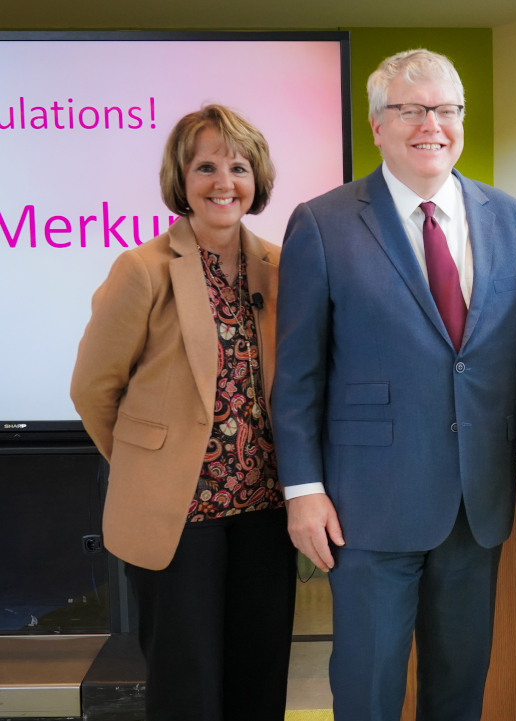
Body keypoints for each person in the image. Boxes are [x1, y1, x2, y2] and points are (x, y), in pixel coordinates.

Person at [271, 49, 516, 721]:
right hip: (368, 505)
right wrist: (302, 490)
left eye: (446, 109)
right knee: (368, 691)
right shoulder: (323, 222)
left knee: (458, 691)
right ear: (377, 125)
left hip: (475, 500)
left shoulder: (511, 218)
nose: (433, 124)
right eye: (411, 109)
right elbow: (298, 374)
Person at [70, 105, 292, 721]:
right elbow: (93, 387)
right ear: (181, 179)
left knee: (260, 676)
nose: (224, 181)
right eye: (206, 167)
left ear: (257, 179)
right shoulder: (141, 269)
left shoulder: (282, 266)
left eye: (239, 167)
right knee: (186, 687)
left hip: (264, 512)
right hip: (178, 518)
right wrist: (149, 466)